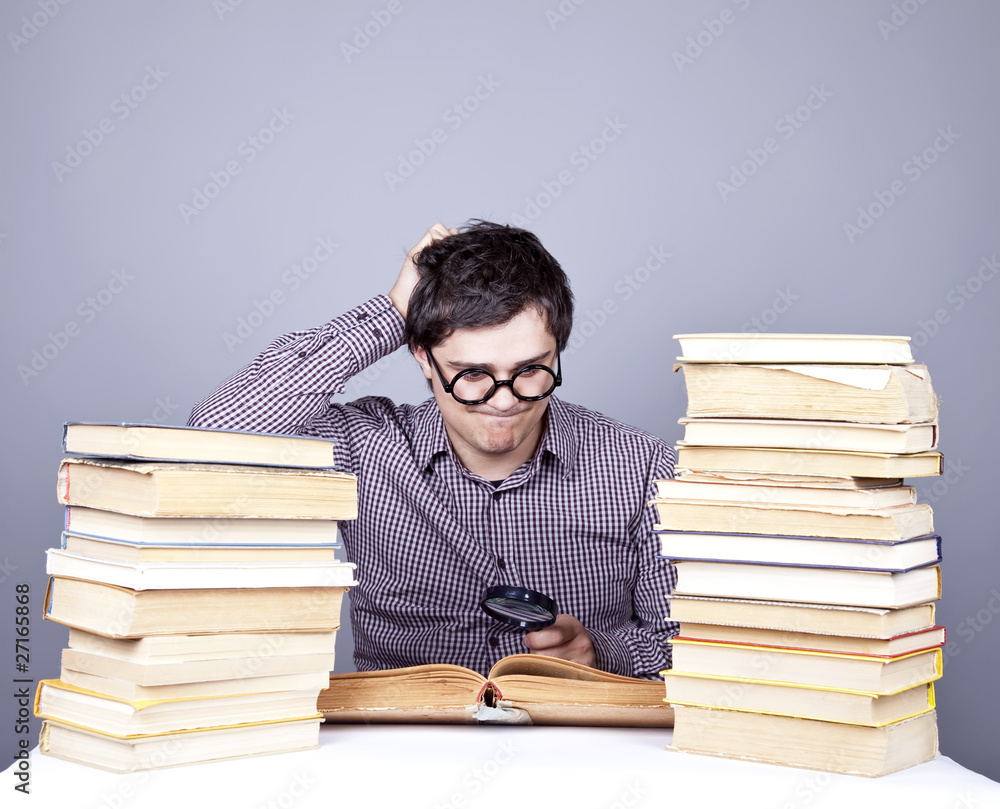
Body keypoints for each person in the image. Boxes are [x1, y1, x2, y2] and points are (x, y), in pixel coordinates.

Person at [188, 221, 676, 679]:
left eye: (530, 369)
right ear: (423, 355)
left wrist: (600, 651)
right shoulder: (365, 447)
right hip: (396, 750)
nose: (504, 401)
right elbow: (213, 430)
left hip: (580, 753)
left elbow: (696, 646)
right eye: (472, 374)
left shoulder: (644, 466)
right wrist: (393, 311)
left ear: (558, 349)